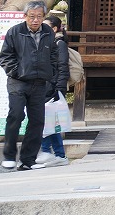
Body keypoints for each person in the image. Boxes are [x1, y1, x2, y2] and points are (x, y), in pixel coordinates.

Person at [0, 1, 58, 171]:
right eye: (32, 16)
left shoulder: (48, 32)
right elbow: (5, 56)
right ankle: (9, 156)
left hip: (39, 82)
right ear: (25, 16)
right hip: (18, 82)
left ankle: (28, 160)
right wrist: (16, 72)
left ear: (44, 17)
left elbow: (53, 54)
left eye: (39, 16)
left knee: (37, 121)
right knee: (15, 116)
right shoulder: (15, 32)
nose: (35, 20)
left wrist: (51, 71)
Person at [36, 16, 70, 166]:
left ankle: (49, 152)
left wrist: (59, 88)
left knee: (46, 122)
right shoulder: (45, 43)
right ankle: (57, 155)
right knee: (49, 122)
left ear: (54, 28)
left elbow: (63, 66)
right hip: (43, 86)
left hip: (52, 88)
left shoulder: (59, 43)